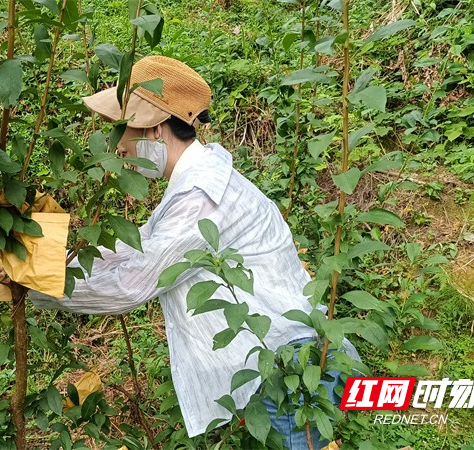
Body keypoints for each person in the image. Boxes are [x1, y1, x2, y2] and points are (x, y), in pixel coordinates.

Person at [29, 55, 355, 448]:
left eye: (123, 130)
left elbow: (134, 281)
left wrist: (32, 281)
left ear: (158, 129)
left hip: (287, 368)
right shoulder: (196, 183)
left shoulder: (203, 197)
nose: (117, 146)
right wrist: (52, 257)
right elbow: (138, 246)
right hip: (279, 365)